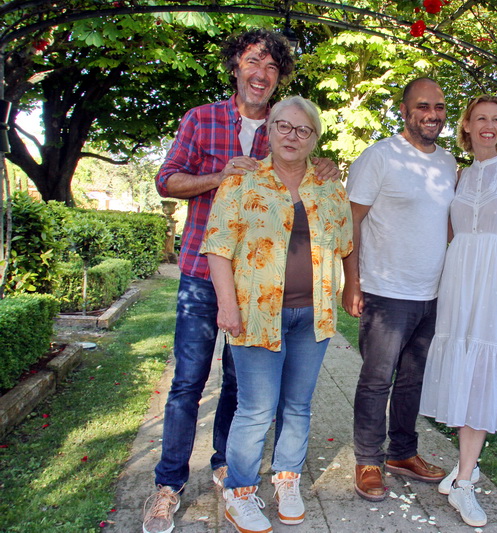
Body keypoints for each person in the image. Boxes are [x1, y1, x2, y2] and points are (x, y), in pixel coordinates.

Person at [146, 29, 339, 533]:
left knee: (241, 385)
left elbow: (314, 199)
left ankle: (227, 468)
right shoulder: (203, 118)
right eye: (253, 61)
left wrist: (326, 166)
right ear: (236, 65)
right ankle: (168, 485)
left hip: (266, 287)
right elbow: (166, 180)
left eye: (272, 67)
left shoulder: (288, 128)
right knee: (188, 382)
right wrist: (219, 177)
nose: (261, 73)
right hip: (200, 271)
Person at [201, 95, 352, 533]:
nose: (292, 136)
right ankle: (240, 493)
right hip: (255, 315)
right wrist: (227, 306)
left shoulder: (329, 186)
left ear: (315, 139)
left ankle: (287, 480)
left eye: (303, 130)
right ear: (269, 131)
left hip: (314, 316)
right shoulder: (242, 182)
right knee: (255, 409)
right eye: (284, 127)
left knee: (298, 405)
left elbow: (345, 244)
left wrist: (350, 290)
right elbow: (217, 247)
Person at [418, 94, 497, 527]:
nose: (490, 126)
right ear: (466, 125)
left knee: (484, 369)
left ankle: (465, 481)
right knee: (461, 366)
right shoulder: (459, 174)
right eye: (481, 118)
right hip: (459, 278)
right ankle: (464, 469)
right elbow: (441, 231)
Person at [343, 77, 456, 502]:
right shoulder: (379, 157)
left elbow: (445, 225)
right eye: (423, 106)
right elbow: (350, 221)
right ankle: (368, 460)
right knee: (376, 381)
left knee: (413, 381)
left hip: (431, 294)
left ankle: (402, 453)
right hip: (386, 292)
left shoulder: (448, 164)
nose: (432, 114)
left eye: (440, 107)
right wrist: (351, 282)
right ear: (405, 111)